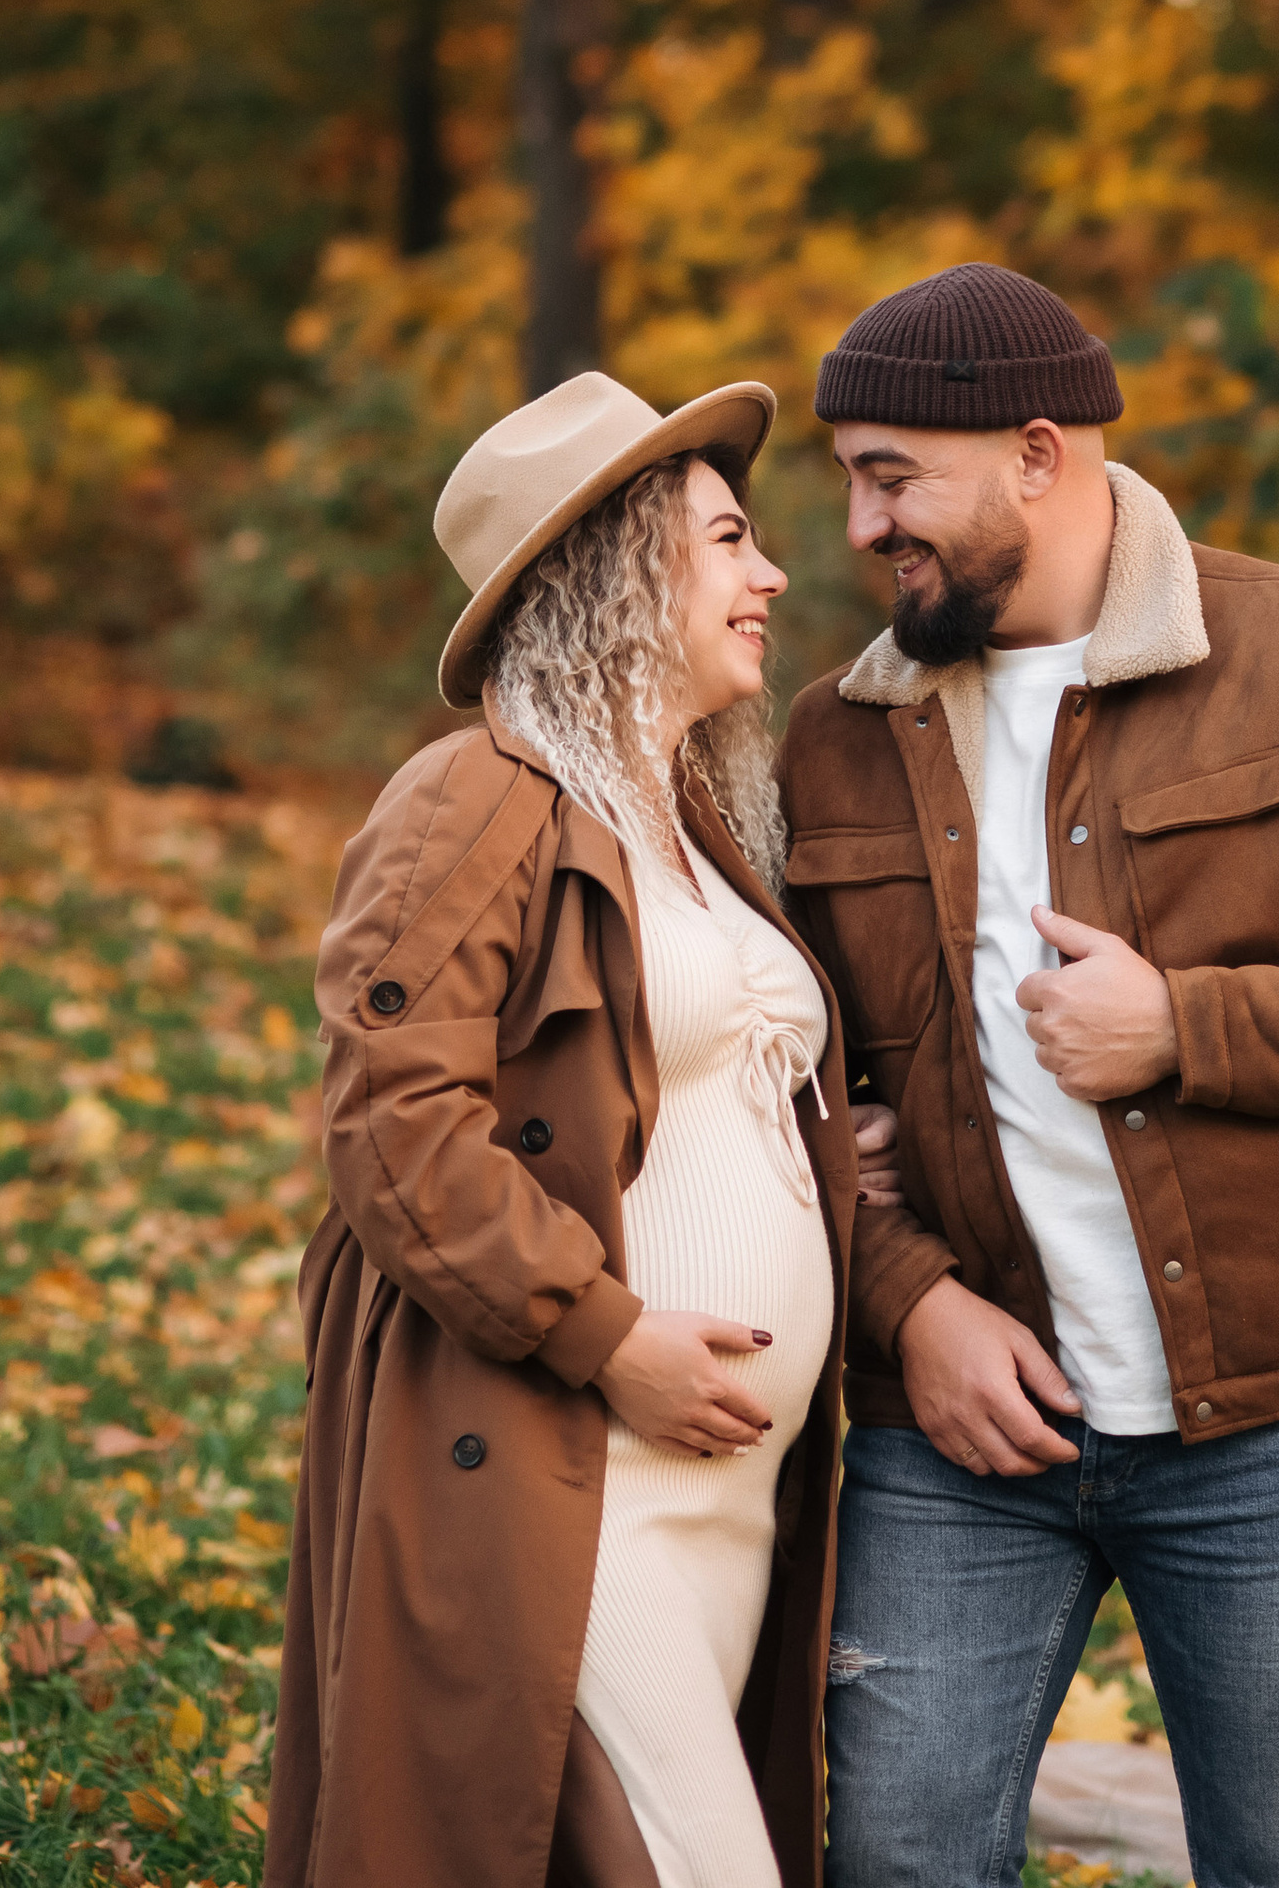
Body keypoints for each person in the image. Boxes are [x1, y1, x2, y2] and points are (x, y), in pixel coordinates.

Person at [780, 264, 1279, 1888]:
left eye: (890, 475)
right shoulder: (832, 737)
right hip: (961, 1439)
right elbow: (790, 1100)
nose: (860, 528)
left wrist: (1186, 1028)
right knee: (900, 1861)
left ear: (1040, 454)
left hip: (1278, 1415)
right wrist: (912, 1302)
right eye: (849, 478)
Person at [267, 369, 862, 1888]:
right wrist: (602, 1332)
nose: (773, 574)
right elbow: (395, 1120)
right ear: (616, 566)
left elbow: (673, 1091)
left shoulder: (693, 817)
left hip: (720, 1493)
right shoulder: (475, 796)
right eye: (729, 540)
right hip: (570, 1468)